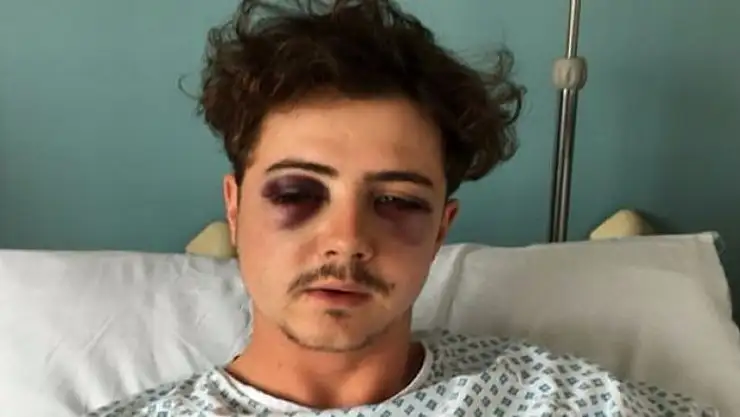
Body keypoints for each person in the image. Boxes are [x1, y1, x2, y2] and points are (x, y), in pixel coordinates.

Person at [88, 0, 716, 415]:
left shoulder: (558, 401)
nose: (346, 238)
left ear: (442, 227)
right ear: (235, 208)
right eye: (297, 194)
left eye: (395, 200)